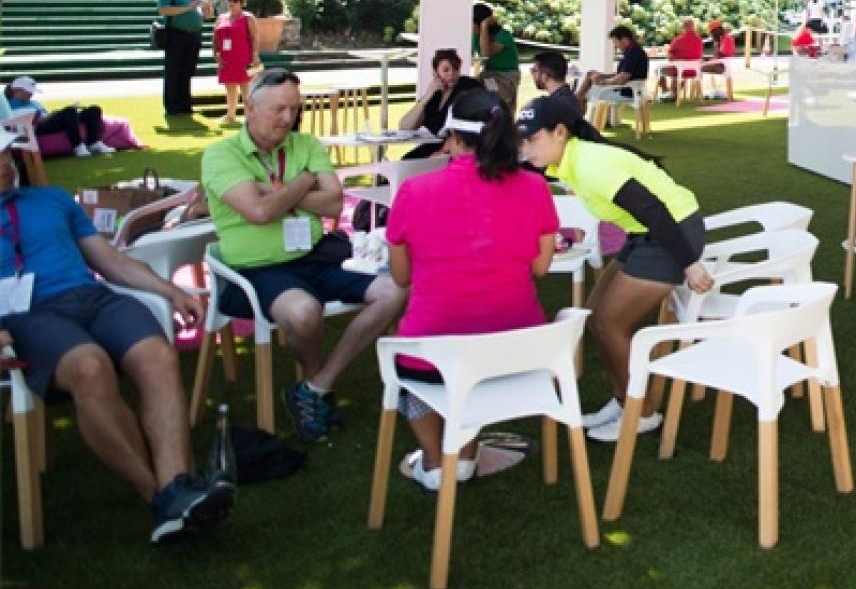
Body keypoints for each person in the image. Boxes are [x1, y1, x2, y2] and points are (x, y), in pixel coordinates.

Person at [0, 160, 231, 543]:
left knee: (158, 356)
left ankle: (177, 484)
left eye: (7, 154)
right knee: (90, 367)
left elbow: (111, 262)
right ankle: (163, 499)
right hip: (27, 316)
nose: (6, 164)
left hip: (92, 298)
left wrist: (171, 291)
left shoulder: (52, 199)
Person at [200, 69, 408, 440]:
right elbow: (259, 213)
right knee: (303, 312)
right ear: (250, 107)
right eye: (278, 109)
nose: (288, 118)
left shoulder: (306, 144)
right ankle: (316, 386)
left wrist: (273, 191)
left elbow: (333, 205)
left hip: (314, 257)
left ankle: (316, 386)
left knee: (395, 289)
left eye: (294, 109)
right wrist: (303, 181)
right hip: (255, 270)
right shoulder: (221, 155)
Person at [515, 92, 713, 442]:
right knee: (596, 317)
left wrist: (689, 264)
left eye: (532, 139)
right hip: (646, 233)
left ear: (560, 132)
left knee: (610, 323)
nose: (526, 149)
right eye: (523, 141)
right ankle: (624, 400)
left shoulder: (591, 165)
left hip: (673, 232)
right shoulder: (570, 159)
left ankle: (642, 413)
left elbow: (653, 209)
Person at [383, 87, 553, 490]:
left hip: (437, 355)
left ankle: (436, 459)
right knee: (469, 347)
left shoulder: (415, 191)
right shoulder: (535, 188)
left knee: (409, 354)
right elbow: (541, 267)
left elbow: (401, 277)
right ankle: (465, 450)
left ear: (454, 138)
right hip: (519, 350)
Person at [398, 49, 484, 160]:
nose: (451, 73)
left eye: (456, 69)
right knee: (407, 160)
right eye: (446, 70)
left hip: (459, 147)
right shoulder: (435, 95)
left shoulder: (467, 86)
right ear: (436, 72)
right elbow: (405, 126)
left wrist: (444, 150)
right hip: (436, 146)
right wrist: (428, 94)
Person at [4, 77, 111, 158]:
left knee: (93, 109)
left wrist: (56, 113)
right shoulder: (10, 105)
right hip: (37, 126)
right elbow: (29, 120)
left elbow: (45, 113)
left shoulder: (34, 102)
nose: (31, 94)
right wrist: (56, 114)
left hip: (50, 120)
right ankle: (78, 146)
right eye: (28, 91)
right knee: (69, 111)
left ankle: (94, 143)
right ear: (16, 90)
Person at [156, 0, 212, 118]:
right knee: (173, 70)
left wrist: (207, 7)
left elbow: (207, 16)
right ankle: (172, 106)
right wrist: (188, 7)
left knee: (188, 70)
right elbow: (163, 10)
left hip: (194, 35)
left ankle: (185, 104)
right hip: (176, 34)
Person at [529, 52, 603, 140]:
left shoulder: (555, 105)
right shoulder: (567, 99)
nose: (532, 74)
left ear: (545, 76)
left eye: (534, 70)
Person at [580, 25, 651, 111]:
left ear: (624, 39)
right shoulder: (633, 51)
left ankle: (576, 103)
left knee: (588, 92)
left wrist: (603, 82)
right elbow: (621, 74)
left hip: (626, 92)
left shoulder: (633, 54)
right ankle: (576, 100)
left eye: (615, 42)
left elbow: (622, 79)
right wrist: (603, 76)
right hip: (628, 90)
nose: (615, 46)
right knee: (590, 75)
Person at [214, 0, 259, 124]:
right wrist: (216, 53)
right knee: (229, 86)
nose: (231, 3)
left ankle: (250, 116)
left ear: (241, 3)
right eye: (229, 0)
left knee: (247, 87)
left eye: (235, 1)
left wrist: (255, 56)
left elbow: (255, 38)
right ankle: (230, 115)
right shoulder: (221, 17)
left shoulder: (248, 17)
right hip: (226, 57)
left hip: (245, 57)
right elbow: (215, 38)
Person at [473, 3, 521, 107]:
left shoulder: (504, 35)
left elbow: (485, 54)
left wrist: (484, 26)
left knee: (498, 103)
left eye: (472, 23)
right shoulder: (474, 36)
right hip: (489, 74)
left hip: (505, 76)